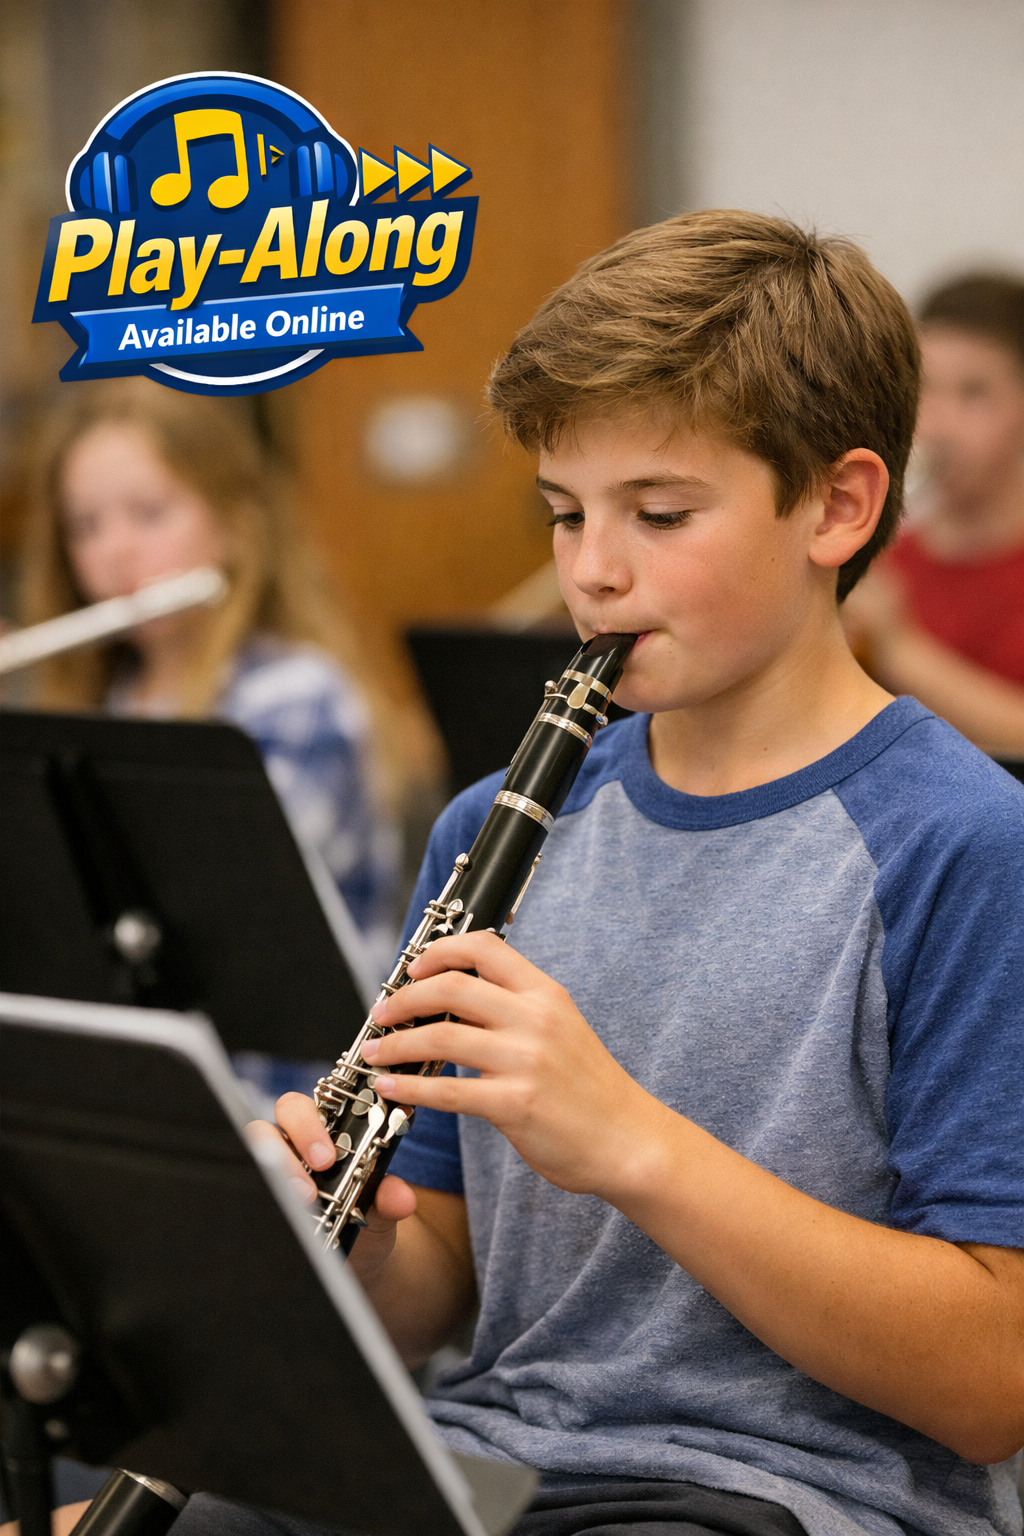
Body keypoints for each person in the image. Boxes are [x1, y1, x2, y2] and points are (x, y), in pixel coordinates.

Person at [54, 213, 1024, 1536]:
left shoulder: (960, 846)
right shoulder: (489, 831)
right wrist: (328, 1244)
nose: (591, 570)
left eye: (660, 512)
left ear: (839, 505)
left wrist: (627, 1142)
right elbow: (440, 1285)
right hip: (491, 1464)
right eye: (565, 513)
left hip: (774, 1495)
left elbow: (990, 1382)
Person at [18, 378, 401, 1101]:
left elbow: (201, 927)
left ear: (234, 522)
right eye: (85, 525)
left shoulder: (295, 697)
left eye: (149, 512)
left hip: (299, 1101)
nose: (116, 551)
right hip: (153, 1084)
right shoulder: (104, 701)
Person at [843, 273, 1024, 759]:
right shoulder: (881, 558)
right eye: (926, 388)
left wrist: (898, 647)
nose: (938, 425)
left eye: (974, 393)